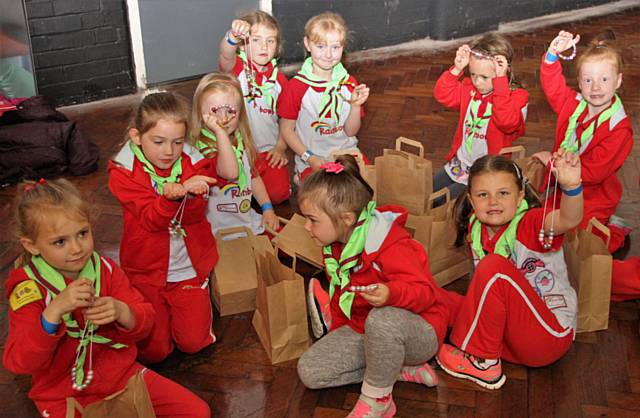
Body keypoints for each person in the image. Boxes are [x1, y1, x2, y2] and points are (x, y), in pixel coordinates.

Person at [3, 179, 210, 417]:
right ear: (31, 246)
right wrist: (52, 313)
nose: (76, 248)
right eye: (60, 241)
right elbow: (20, 363)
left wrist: (123, 312)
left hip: (121, 375)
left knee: (197, 412)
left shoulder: (105, 269)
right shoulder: (28, 289)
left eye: (82, 233)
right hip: (63, 393)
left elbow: (145, 321)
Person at [297, 155, 460, 417]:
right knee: (311, 372)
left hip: (421, 328)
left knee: (382, 318)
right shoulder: (335, 244)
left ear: (347, 218)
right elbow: (342, 296)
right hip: (367, 328)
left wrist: (391, 294)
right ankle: (397, 368)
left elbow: (427, 294)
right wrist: (337, 336)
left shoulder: (389, 242)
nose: (306, 227)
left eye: (312, 219)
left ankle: (378, 399)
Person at [437, 151, 583, 390]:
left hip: (547, 337)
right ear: (472, 201)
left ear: (520, 196)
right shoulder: (475, 226)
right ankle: (422, 344)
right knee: (432, 295)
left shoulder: (531, 223)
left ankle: (484, 364)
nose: (493, 202)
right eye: (483, 195)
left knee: (493, 267)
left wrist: (572, 187)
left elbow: (569, 218)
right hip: (510, 336)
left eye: (503, 193)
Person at [108, 92, 219, 363]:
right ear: (136, 136)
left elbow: (193, 217)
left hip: (188, 269)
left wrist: (191, 196)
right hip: (145, 271)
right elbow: (150, 220)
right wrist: (173, 197)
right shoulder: (122, 171)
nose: (169, 151)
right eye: (158, 142)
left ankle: (196, 299)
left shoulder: (194, 161)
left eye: (177, 142)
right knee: (154, 352)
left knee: (194, 343)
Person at [535, 30, 632, 253]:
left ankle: (614, 230)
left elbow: (594, 172)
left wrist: (551, 162)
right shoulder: (574, 103)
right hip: (563, 185)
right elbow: (553, 87)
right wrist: (551, 55)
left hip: (594, 194)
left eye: (604, 79)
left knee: (580, 242)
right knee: (545, 223)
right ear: (579, 81)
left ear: (618, 81)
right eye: (588, 80)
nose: (595, 87)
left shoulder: (619, 128)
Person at [433, 33, 528, 202]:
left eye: (484, 77)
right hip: (460, 165)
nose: (477, 82)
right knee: (428, 190)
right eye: (473, 74)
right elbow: (442, 95)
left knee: (443, 204)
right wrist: (456, 69)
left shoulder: (517, 98)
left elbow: (507, 122)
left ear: (503, 71)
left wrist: (500, 83)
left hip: (486, 172)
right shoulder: (469, 88)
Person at [278, 12, 370, 183]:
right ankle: (301, 177)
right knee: (325, 199)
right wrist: (309, 157)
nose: (328, 55)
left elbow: (351, 131)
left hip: (347, 153)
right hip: (312, 158)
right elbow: (286, 130)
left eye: (335, 47)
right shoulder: (297, 87)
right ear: (307, 44)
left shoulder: (349, 83)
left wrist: (355, 106)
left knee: (367, 189)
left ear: (343, 47)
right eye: (321, 46)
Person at [191, 72, 279, 235]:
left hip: (244, 218)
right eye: (215, 111)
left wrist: (267, 208)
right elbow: (230, 172)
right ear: (200, 114)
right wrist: (220, 133)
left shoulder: (240, 139)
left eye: (231, 111)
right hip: (217, 228)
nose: (223, 118)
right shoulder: (202, 149)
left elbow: (254, 176)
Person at [218, 10, 291, 204]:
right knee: (231, 195)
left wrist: (280, 147)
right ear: (243, 44)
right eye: (256, 39)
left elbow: (287, 119)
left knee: (278, 195)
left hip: (267, 150)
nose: (263, 47)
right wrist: (232, 36)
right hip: (237, 149)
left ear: (277, 46)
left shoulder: (280, 81)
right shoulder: (237, 69)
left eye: (270, 41)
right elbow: (225, 55)